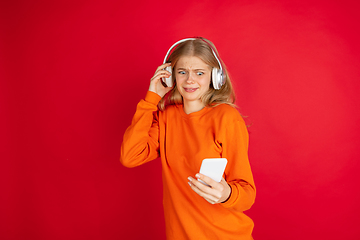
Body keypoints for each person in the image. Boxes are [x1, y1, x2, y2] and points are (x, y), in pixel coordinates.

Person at [120, 37, 256, 240]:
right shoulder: (166, 118)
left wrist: (226, 193)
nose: (190, 80)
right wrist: (152, 99)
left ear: (215, 77)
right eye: (182, 72)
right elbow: (130, 156)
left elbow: (247, 195)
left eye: (199, 73)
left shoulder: (226, 118)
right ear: (170, 76)